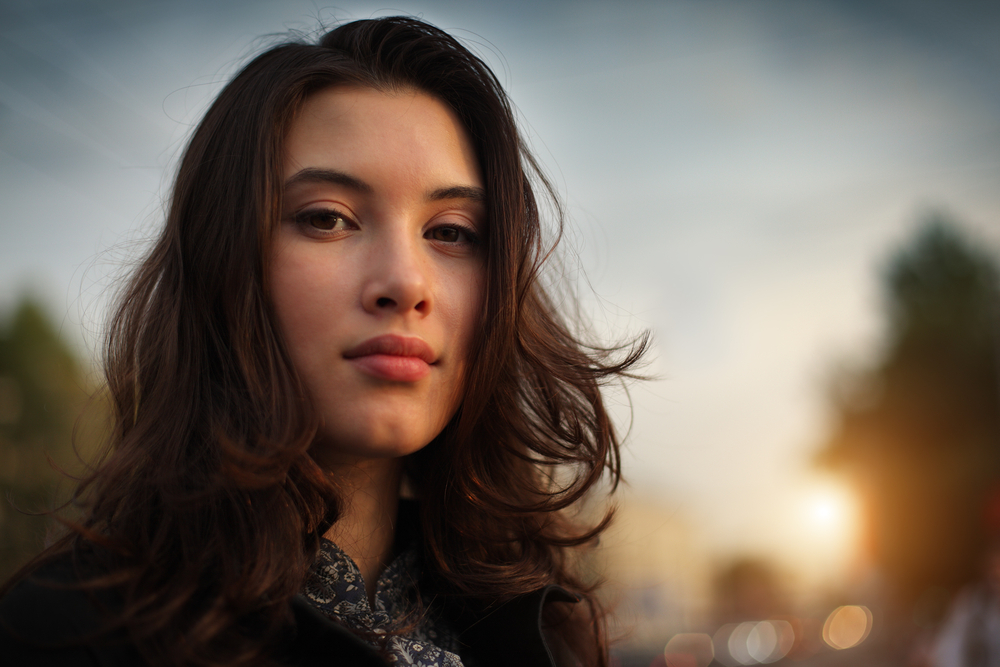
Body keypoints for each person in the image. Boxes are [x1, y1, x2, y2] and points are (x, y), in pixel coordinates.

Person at [0, 16, 645, 667]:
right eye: (328, 218)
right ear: (225, 259)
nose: (404, 281)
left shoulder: (548, 636)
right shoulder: (63, 631)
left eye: (451, 231)